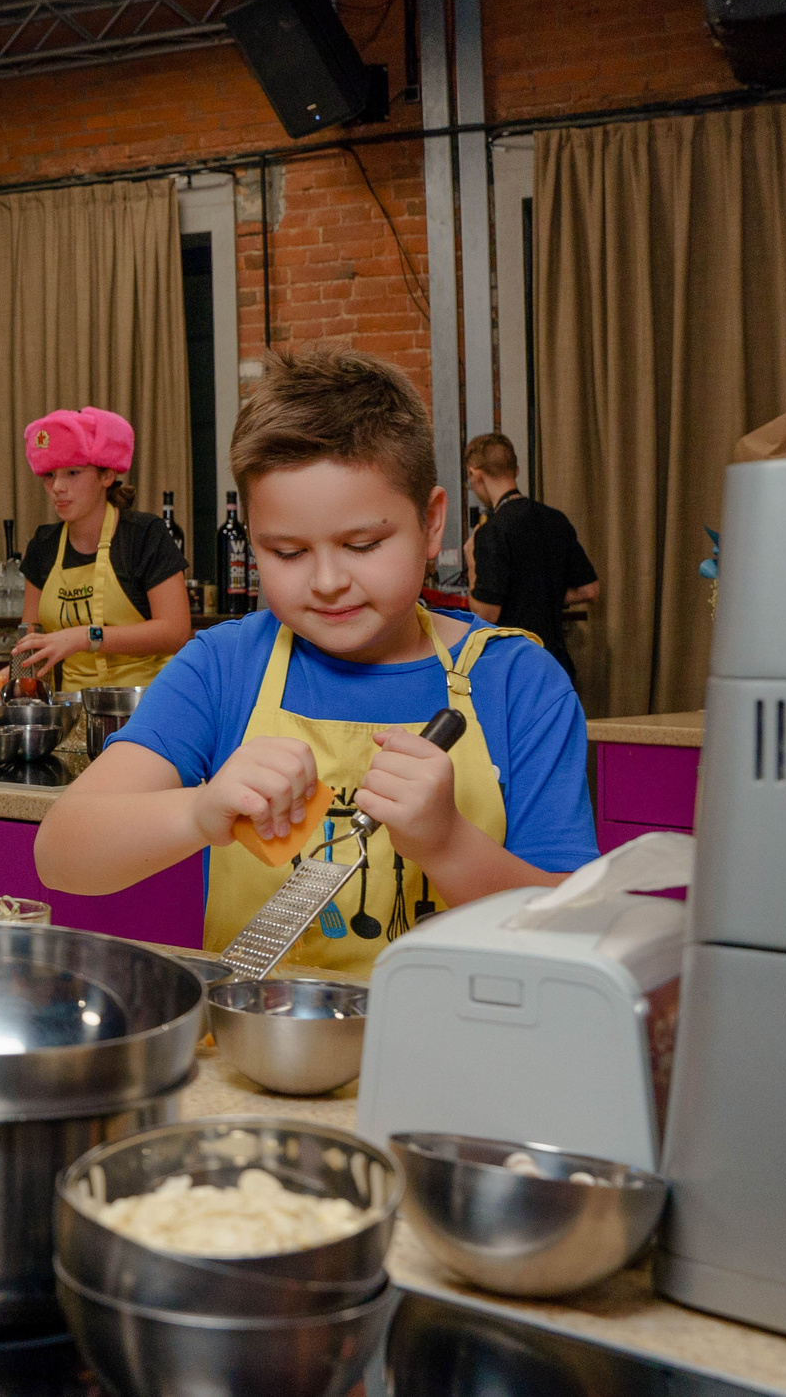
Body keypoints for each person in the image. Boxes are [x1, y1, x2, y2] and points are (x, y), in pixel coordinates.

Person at [31, 349, 598, 972]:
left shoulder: (519, 683)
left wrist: (448, 844)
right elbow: (61, 854)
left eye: (363, 544)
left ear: (432, 523)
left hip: (457, 1058)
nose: (327, 581)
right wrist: (198, 811)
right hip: (259, 1055)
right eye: (288, 552)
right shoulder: (224, 667)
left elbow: (572, 937)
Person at [0, 407, 191, 699]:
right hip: (72, 710)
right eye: (49, 475)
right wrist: (15, 678)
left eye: (73, 473)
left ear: (106, 475)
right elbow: (30, 640)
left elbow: (175, 632)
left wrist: (85, 637)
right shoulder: (44, 545)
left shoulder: (143, 535)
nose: (57, 487)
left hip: (147, 705)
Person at [463, 433, 599, 677]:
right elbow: (590, 590)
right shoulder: (555, 519)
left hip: (513, 667)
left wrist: (472, 563)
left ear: (475, 474)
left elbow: (486, 614)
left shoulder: (491, 531)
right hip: (556, 663)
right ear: (515, 470)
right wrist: (544, 594)